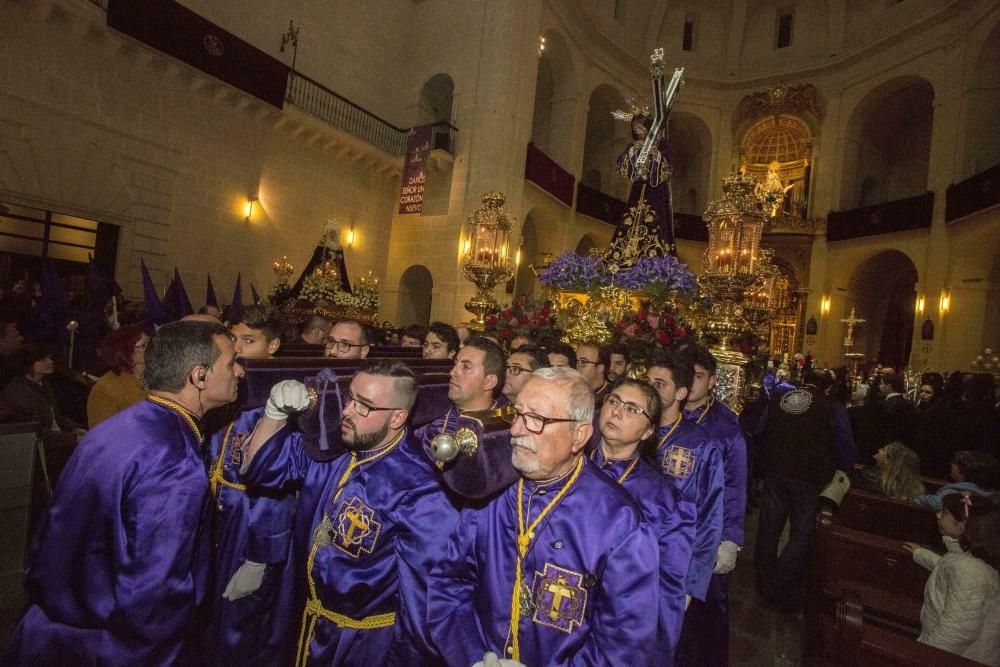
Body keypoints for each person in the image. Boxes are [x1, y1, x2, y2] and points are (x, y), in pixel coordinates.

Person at [3, 321, 242, 666]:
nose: (240, 371)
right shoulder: (175, 460)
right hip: (105, 646)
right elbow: (155, 593)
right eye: (231, 362)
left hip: (49, 630)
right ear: (199, 376)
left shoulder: (123, 425)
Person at [427, 367, 661, 666]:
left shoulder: (620, 523)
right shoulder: (489, 495)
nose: (516, 431)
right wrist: (473, 658)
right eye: (517, 414)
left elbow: (624, 645)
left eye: (536, 419)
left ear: (579, 435)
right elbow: (450, 583)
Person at [237, 361, 461, 665]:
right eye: (350, 398)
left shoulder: (420, 487)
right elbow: (261, 470)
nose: (348, 411)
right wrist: (274, 413)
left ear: (398, 417)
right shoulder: (332, 449)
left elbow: (422, 602)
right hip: (305, 620)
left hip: (362, 644)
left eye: (365, 406)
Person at [203, 305, 294, 666]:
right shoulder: (231, 384)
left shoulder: (281, 399)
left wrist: (260, 557)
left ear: (273, 347)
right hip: (221, 517)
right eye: (234, 338)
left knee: (240, 625)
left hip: (251, 525)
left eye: (249, 340)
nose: (237, 348)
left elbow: (277, 487)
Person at [593, 379, 694, 662]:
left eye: (632, 409)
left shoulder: (661, 498)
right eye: (613, 401)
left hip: (618, 617)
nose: (616, 412)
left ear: (649, 431)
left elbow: (668, 584)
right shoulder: (570, 467)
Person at [754, 369, 855, 612]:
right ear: (828, 387)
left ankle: (764, 579)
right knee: (801, 532)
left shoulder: (779, 399)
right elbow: (845, 444)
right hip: (810, 477)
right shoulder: (833, 407)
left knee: (769, 527)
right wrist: (843, 467)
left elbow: (760, 430)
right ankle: (781, 582)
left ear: (803, 381)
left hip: (777, 470)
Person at [677, 345, 748, 664]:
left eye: (699, 376)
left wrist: (730, 538)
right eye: (687, 375)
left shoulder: (726, 426)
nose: (691, 382)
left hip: (709, 532)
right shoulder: (669, 415)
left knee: (708, 613)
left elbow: (735, 483)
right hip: (674, 530)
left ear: (713, 381)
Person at [646, 350, 725, 609]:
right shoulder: (635, 431)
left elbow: (710, 516)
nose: (649, 390)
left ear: (680, 393)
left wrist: (693, 581)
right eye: (647, 383)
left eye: (659, 384)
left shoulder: (701, 445)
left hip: (672, 562)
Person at [903, 493, 1000, 664]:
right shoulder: (967, 559)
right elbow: (947, 567)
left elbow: (955, 633)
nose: (938, 514)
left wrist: (919, 655)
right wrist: (920, 554)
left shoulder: (971, 571)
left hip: (961, 657)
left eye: (945, 512)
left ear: (963, 525)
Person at [3, 344, 86, 452]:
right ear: (27, 364)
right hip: (43, 450)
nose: (50, 361)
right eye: (43, 359)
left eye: (48, 358)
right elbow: (37, 432)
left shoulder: (43, 384)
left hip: (57, 442)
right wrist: (73, 438)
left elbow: (55, 418)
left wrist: (74, 428)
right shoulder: (20, 393)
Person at [86, 325, 149, 427]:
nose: (152, 348)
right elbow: (103, 435)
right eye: (144, 345)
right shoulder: (104, 390)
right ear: (125, 351)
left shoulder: (157, 375)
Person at [915, 450, 1000, 511]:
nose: (950, 470)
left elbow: (936, 503)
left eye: (954, 465)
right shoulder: (991, 495)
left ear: (961, 473)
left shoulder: (953, 491)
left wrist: (916, 498)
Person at [850, 441, 926, 499]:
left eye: (883, 449)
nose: (879, 450)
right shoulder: (906, 488)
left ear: (888, 461)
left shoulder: (870, 478)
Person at [876, 372, 917, 449]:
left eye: (881, 384)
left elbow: (883, 431)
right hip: (904, 447)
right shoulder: (908, 404)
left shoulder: (887, 405)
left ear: (888, 386)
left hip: (888, 447)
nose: (879, 386)